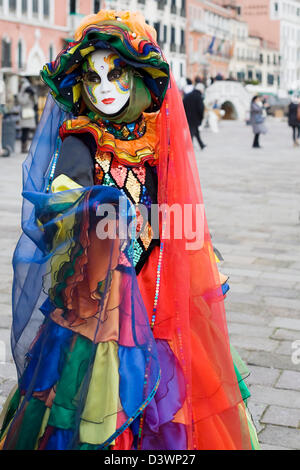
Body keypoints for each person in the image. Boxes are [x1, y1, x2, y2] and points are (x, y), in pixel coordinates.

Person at [0, 10, 259, 450]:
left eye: (116, 75)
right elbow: (63, 192)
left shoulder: (157, 140)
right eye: (93, 78)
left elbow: (168, 205)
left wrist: (178, 240)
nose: (103, 90)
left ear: (139, 78)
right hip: (98, 291)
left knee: (176, 391)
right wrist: (87, 203)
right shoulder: (81, 137)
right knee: (88, 398)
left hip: (158, 290)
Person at [183, 81, 206, 150]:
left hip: (187, 117)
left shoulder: (188, 95)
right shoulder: (199, 97)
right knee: (192, 133)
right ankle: (188, 147)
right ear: (201, 90)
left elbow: (183, 105)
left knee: (195, 132)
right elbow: (201, 109)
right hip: (195, 118)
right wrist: (201, 118)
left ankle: (201, 145)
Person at [17, 77, 37, 153]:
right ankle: (23, 148)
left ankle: (25, 147)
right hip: (25, 114)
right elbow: (23, 102)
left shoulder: (28, 92)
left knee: (27, 131)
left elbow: (34, 102)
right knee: (25, 131)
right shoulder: (24, 92)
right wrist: (27, 94)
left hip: (28, 114)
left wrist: (33, 94)